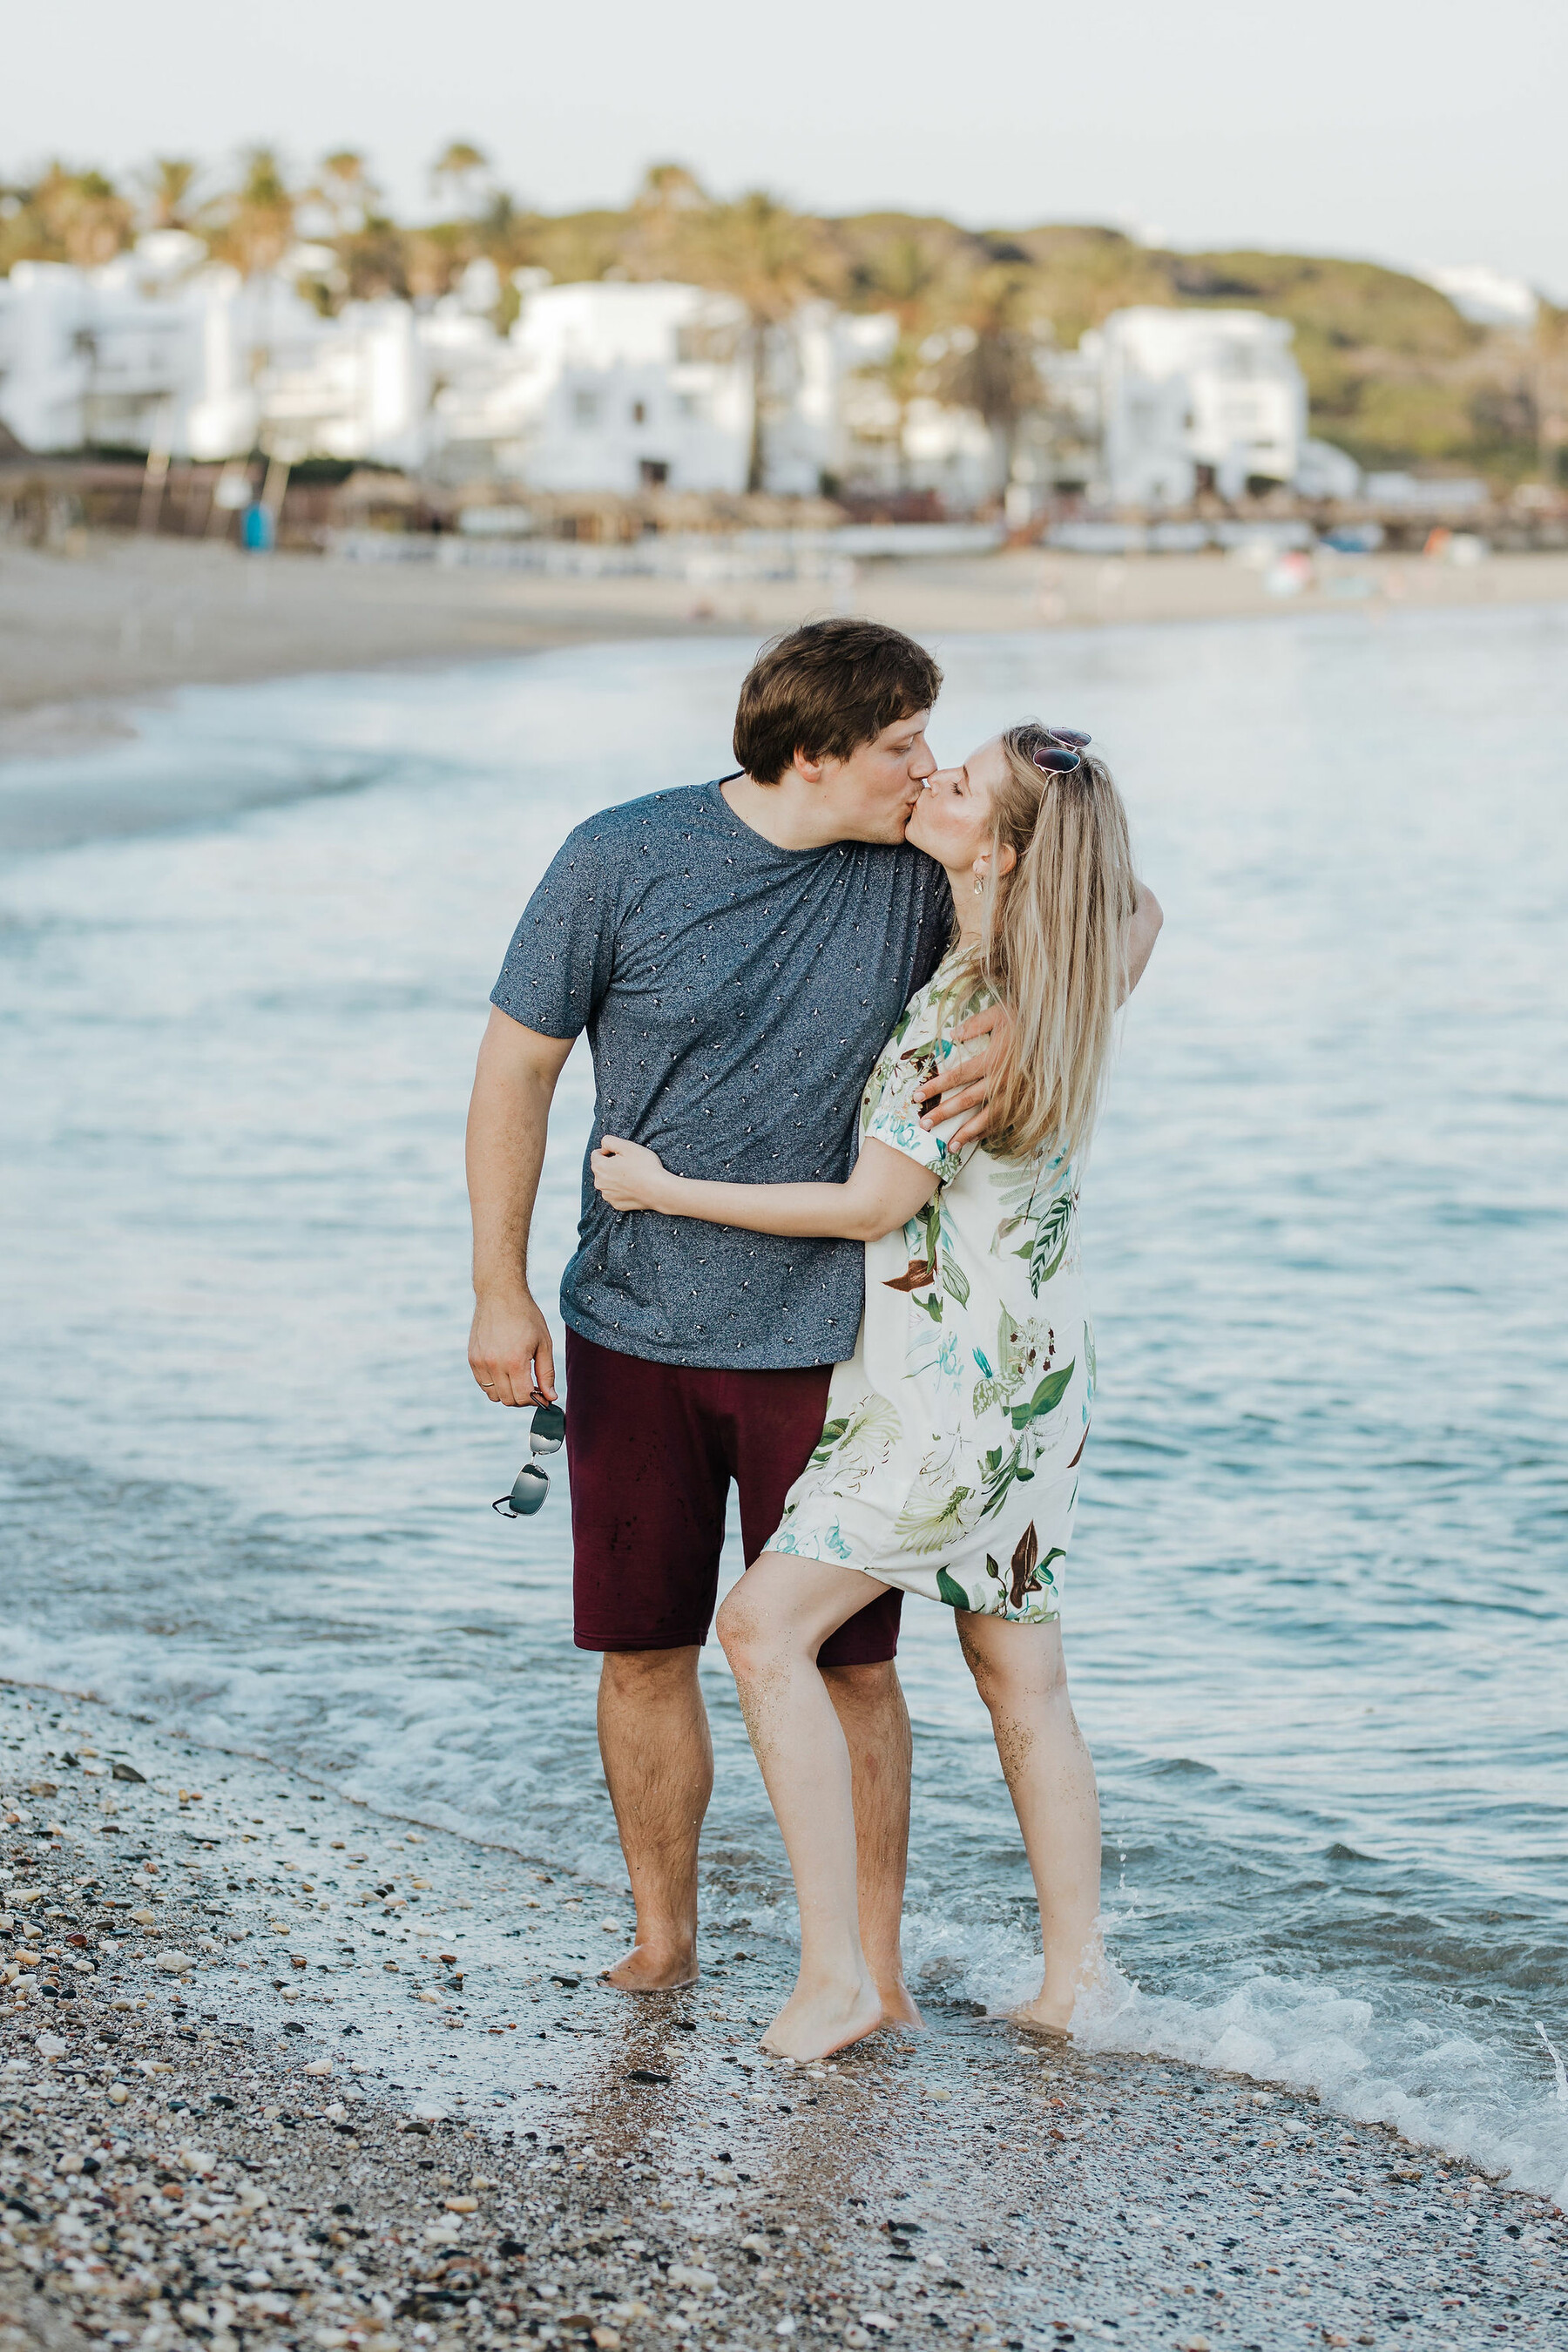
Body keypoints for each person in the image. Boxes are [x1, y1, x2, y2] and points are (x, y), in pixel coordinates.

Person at [591, 723, 1160, 2059]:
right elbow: (1134, 905)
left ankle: (838, 1976)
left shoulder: (972, 1007)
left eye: (958, 785)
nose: (932, 781)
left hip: (944, 1395)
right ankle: (1079, 1982)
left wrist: (664, 1188)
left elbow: (871, 1203)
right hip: (1038, 1391)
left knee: (758, 1632)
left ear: (1004, 850)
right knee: (1023, 1679)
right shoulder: (1052, 979)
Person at [469, 620, 997, 2016]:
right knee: (643, 1648)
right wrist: (497, 1286)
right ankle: (663, 1938)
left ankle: (867, 1968)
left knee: (853, 1665)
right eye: (900, 747)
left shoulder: (915, 874)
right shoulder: (619, 856)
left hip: (838, 1342)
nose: (926, 769)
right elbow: (516, 1073)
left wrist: (1014, 1047)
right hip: (631, 1323)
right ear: (816, 753)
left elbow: (1120, 921)